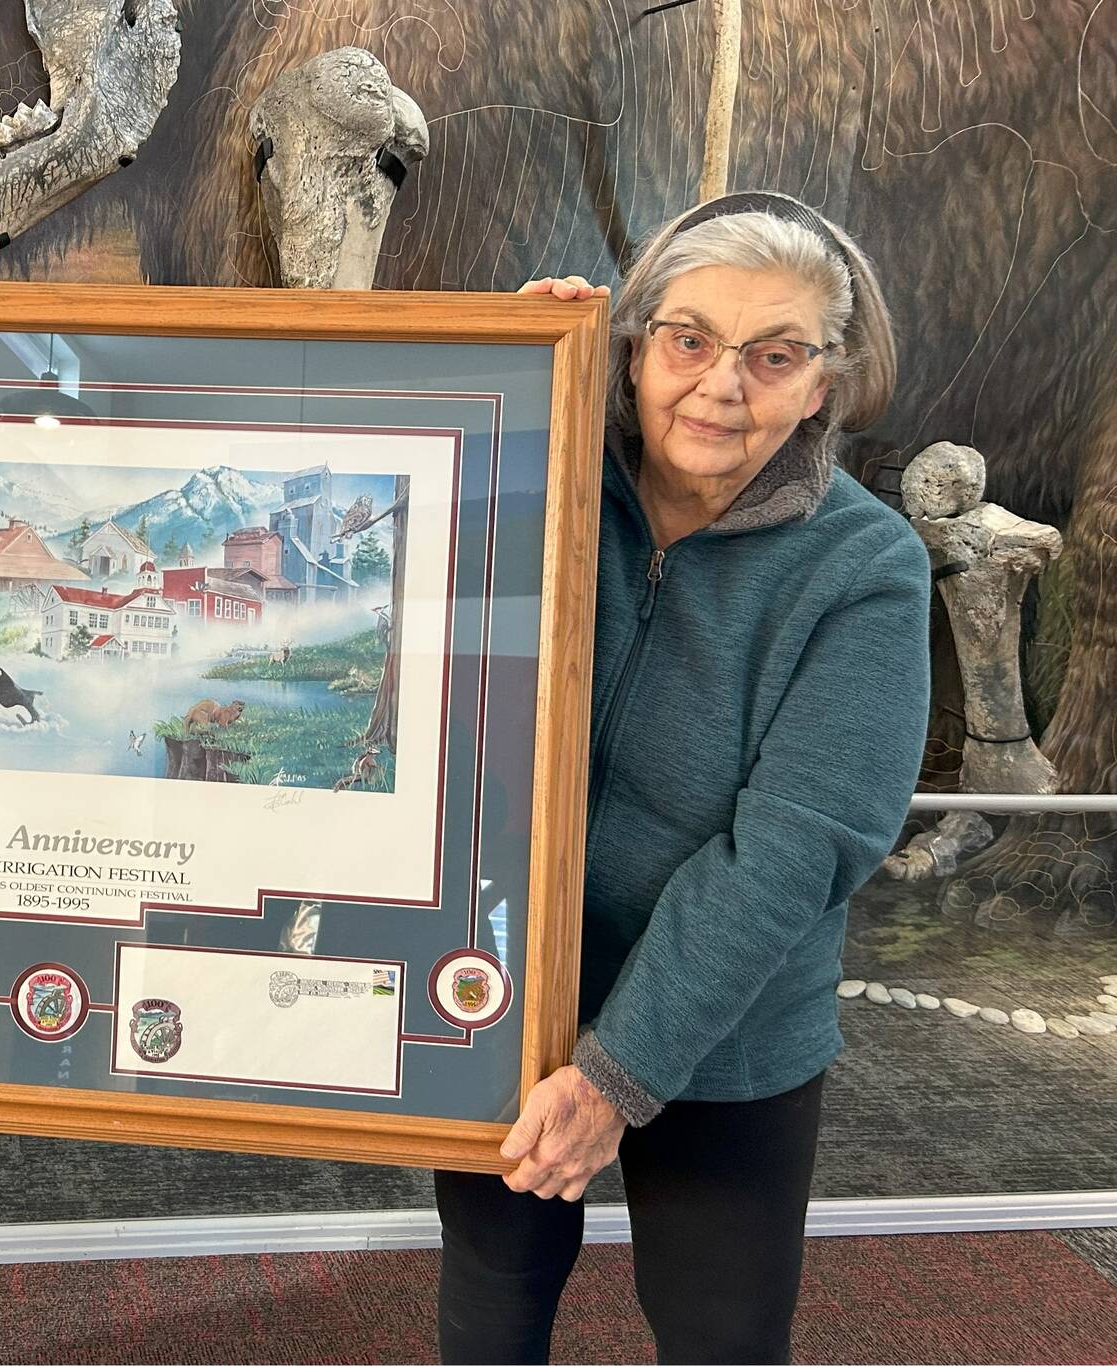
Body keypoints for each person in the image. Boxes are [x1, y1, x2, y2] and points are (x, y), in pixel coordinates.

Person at [432, 192, 931, 1364]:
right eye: (688, 339)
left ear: (822, 384)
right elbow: (391, 537)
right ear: (636, 344)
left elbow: (793, 850)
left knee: (719, 1333)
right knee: (489, 1304)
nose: (720, 385)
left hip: (731, 1033)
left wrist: (617, 1070)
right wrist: (497, 378)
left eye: (774, 355)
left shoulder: (866, 569)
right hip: (510, 993)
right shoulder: (538, 473)